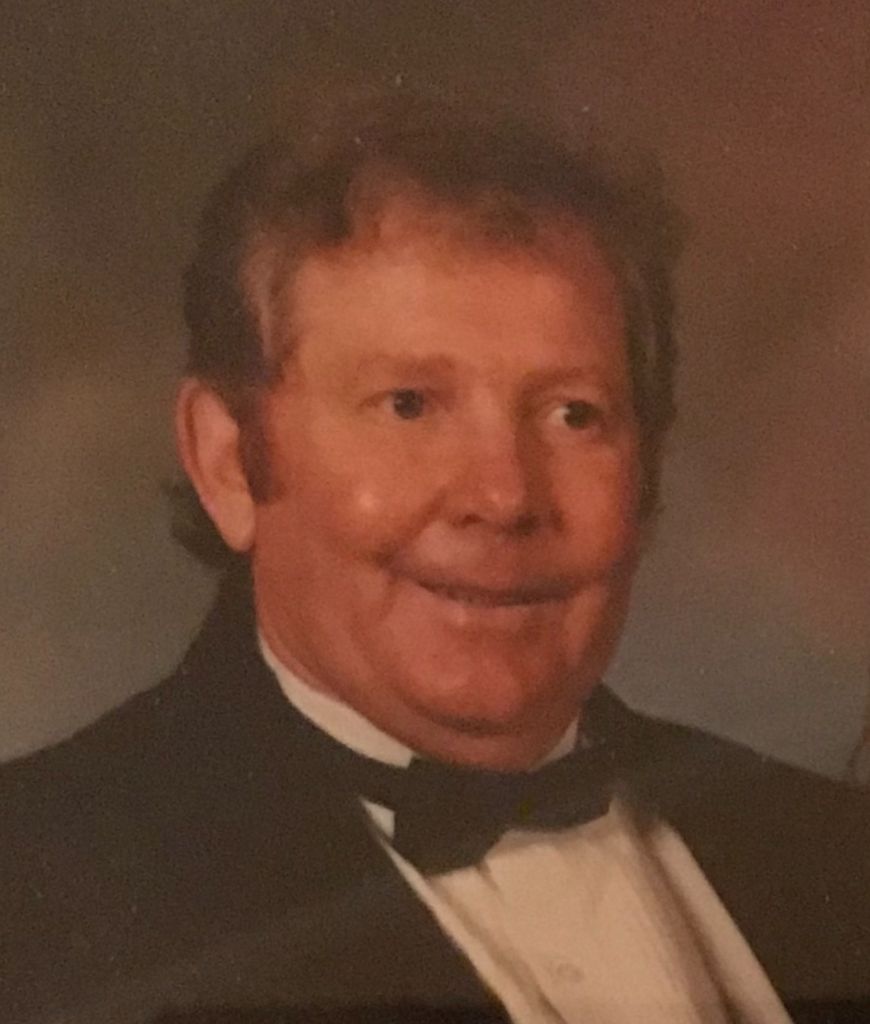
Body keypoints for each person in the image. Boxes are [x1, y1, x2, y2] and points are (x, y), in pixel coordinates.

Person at [2, 98, 868, 1024]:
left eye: (573, 414)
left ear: (646, 470)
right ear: (229, 462)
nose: (503, 496)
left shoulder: (835, 850)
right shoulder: (34, 891)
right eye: (409, 404)